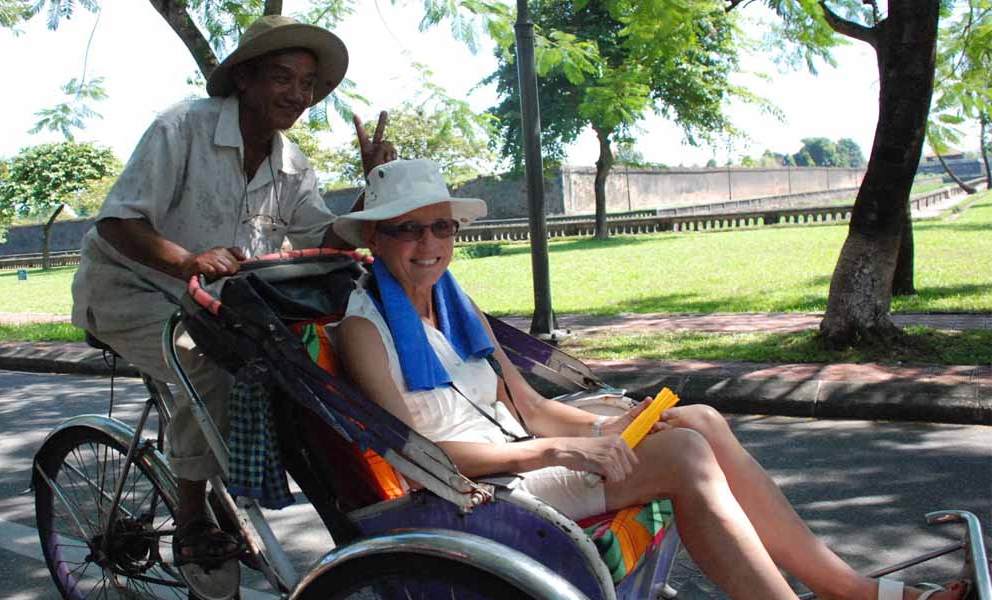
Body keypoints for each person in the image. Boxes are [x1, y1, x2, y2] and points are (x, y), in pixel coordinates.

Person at [329, 159, 965, 600]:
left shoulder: (454, 306)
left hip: (526, 458)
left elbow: (530, 406)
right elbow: (417, 457)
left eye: (441, 226)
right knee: (685, 453)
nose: (428, 244)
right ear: (375, 239)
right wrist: (559, 449)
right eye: (406, 229)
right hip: (477, 493)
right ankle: (838, 595)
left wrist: (613, 426)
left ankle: (846, 588)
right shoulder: (367, 328)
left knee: (696, 421)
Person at [69, 14, 395, 589]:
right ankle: (193, 520)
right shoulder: (182, 128)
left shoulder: (291, 163)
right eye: (281, 77)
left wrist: (377, 187)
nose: (296, 94)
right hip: (128, 292)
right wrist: (186, 261)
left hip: (212, 305)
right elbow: (118, 221)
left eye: (307, 84)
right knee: (209, 365)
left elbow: (324, 238)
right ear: (244, 79)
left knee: (298, 360)